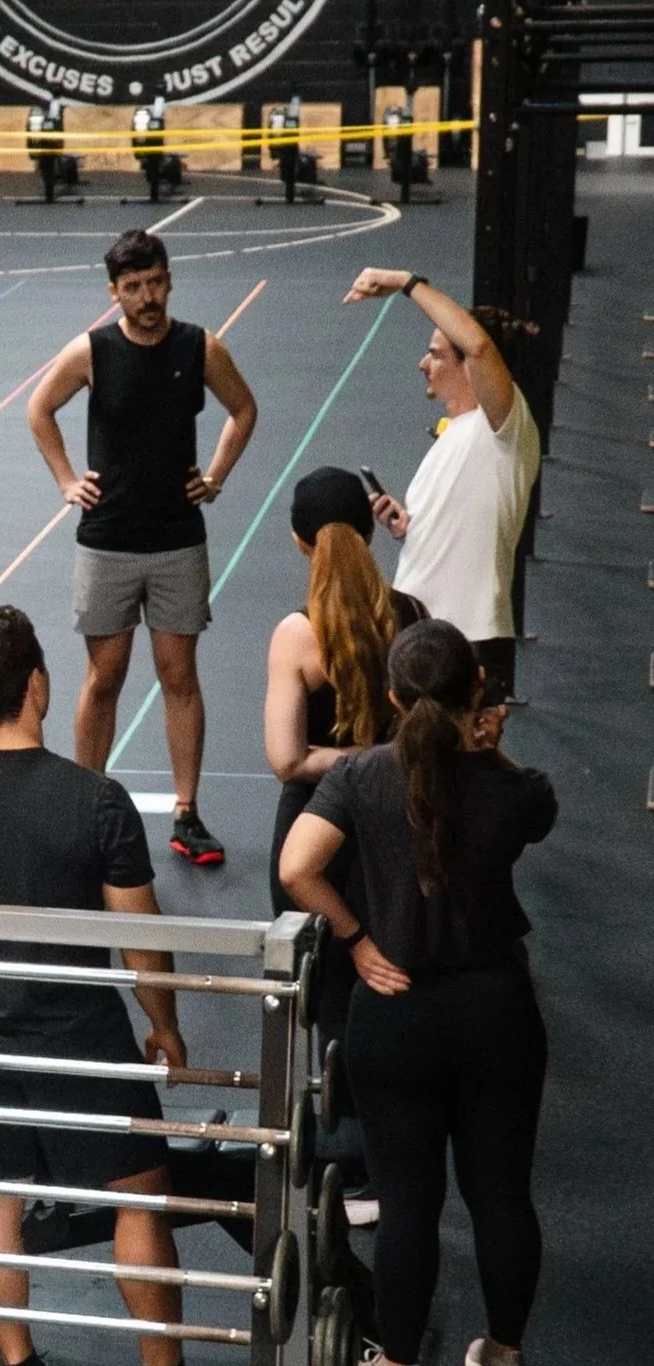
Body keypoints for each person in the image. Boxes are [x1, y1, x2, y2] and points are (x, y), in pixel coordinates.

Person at [0, 605, 243, 1366]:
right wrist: (165, 1026)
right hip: (83, 1041)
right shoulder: (94, 800)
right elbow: (140, 943)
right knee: (138, 1199)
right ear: (37, 684)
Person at [279, 619, 557, 1366]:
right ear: (478, 698)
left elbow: (296, 867)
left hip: (394, 1009)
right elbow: (531, 807)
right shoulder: (512, 787)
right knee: (502, 1194)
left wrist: (357, 939)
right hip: (495, 1008)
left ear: (394, 698)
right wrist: (486, 747)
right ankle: (504, 1360)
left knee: (407, 1202)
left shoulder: (362, 774)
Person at [27, 228, 257, 866]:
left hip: (177, 540)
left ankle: (187, 812)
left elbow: (244, 409)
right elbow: (39, 410)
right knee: (105, 677)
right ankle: (88, 805)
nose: (147, 296)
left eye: (155, 282)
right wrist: (67, 481)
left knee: (179, 676)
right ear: (114, 292)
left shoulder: (199, 346)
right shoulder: (92, 351)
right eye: (133, 287)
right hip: (107, 542)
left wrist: (215, 477)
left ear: (169, 278)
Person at [264, 468, 423, 1246]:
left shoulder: (298, 633)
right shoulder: (412, 616)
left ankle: (343, 1164)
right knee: (388, 985)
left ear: (298, 541)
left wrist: (347, 757)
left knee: (323, 999)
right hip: (388, 831)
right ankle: (393, 1158)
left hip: (314, 836)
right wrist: (379, 757)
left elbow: (284, 757)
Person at [345, 267, 542, 700]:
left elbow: (477, 344)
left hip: (467, 637)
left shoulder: (504, 426)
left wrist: (404, 283)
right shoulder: (455, 433)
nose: (423, 364)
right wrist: (406, 530)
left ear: (469, 368)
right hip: (420, 629)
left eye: (435, 353)